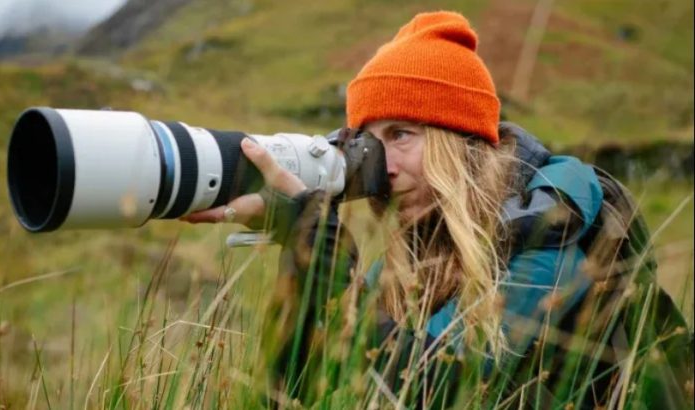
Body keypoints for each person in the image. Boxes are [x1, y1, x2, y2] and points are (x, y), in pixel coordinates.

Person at [184, 11, 692, 409]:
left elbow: (440, 386)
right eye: (368, 141)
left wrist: (321, 245)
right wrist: (301, 247)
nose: (384, 164)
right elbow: (294, 386)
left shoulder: (547, 232)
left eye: (401, 134)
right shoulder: (415, 252)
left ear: (460, 143)